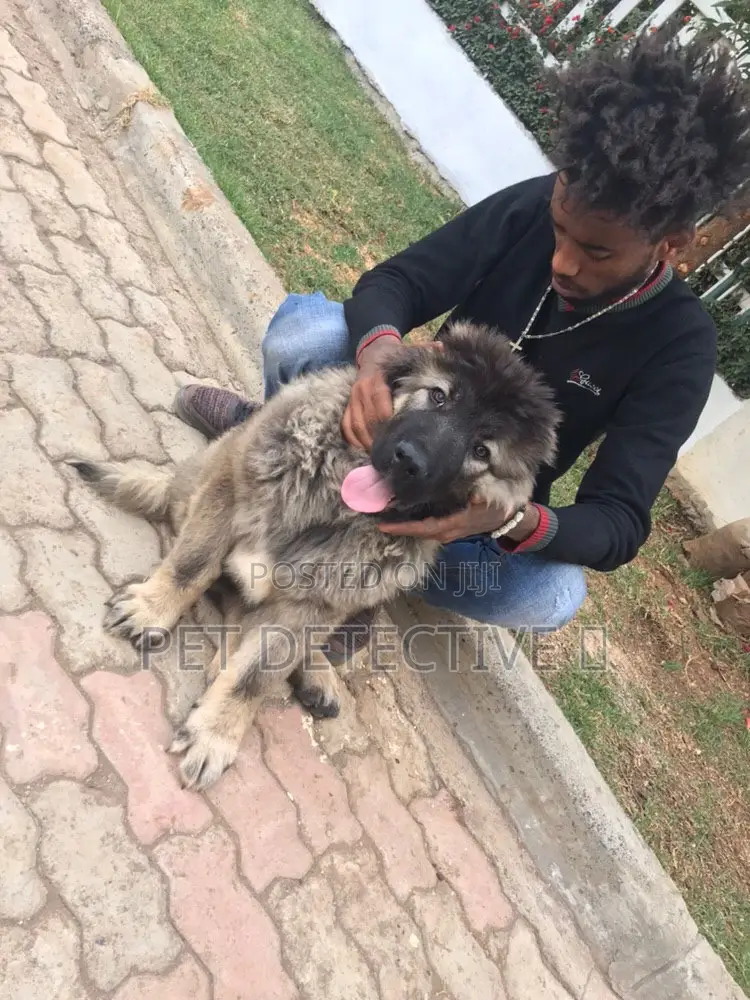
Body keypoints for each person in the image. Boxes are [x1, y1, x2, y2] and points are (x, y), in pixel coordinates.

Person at [174, 29, 750, 659]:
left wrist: (509, 519)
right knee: (306, 332)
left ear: (671, 243)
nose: (562, 261)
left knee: (551, 596)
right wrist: (377, 359)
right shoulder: (535, 204)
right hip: (391, 429)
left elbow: (617, 520)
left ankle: (363, 584)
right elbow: (398, 282)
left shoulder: (679, 345)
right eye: (560, 230)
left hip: (467, 503)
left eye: (596, 252)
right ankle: (265, 449)